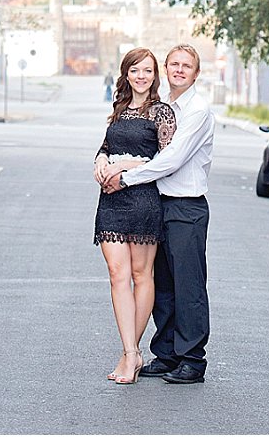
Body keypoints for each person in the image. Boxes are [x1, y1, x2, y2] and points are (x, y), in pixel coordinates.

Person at [102, 43, 215, 385]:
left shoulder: (197, 111)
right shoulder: (163, 105)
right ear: (166, 69)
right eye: (174, 64)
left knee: (188, 285)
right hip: (156, 202)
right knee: (162, 283)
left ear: (196, 73)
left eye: (186, 66)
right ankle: (167, 354)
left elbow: (171, 159)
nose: (179, 70)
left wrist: (125, 176)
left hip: (185, 206)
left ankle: (192, 360)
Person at [93, 48, 176, 385]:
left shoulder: (161, 112)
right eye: (135, 70)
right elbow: (106, 145)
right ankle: (132, 352)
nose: (141, 76)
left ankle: (131, 353)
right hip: (111, 200)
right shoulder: (119, 108)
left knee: (142, 275)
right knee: (117, 274)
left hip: (143, 201)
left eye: (147, 71)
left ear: (155, 76)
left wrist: (125, 165)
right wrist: (100, 161)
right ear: (126, 74)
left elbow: (167, 160)